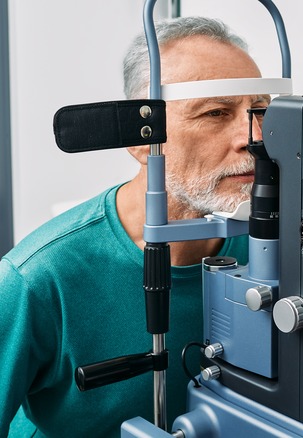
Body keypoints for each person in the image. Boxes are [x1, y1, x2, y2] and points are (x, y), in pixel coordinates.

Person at [0, 16, 269, 437]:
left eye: (261, 111)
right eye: (215, 112)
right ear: (142, 140)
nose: (254, 136)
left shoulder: (272, 248)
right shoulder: (36, 279)